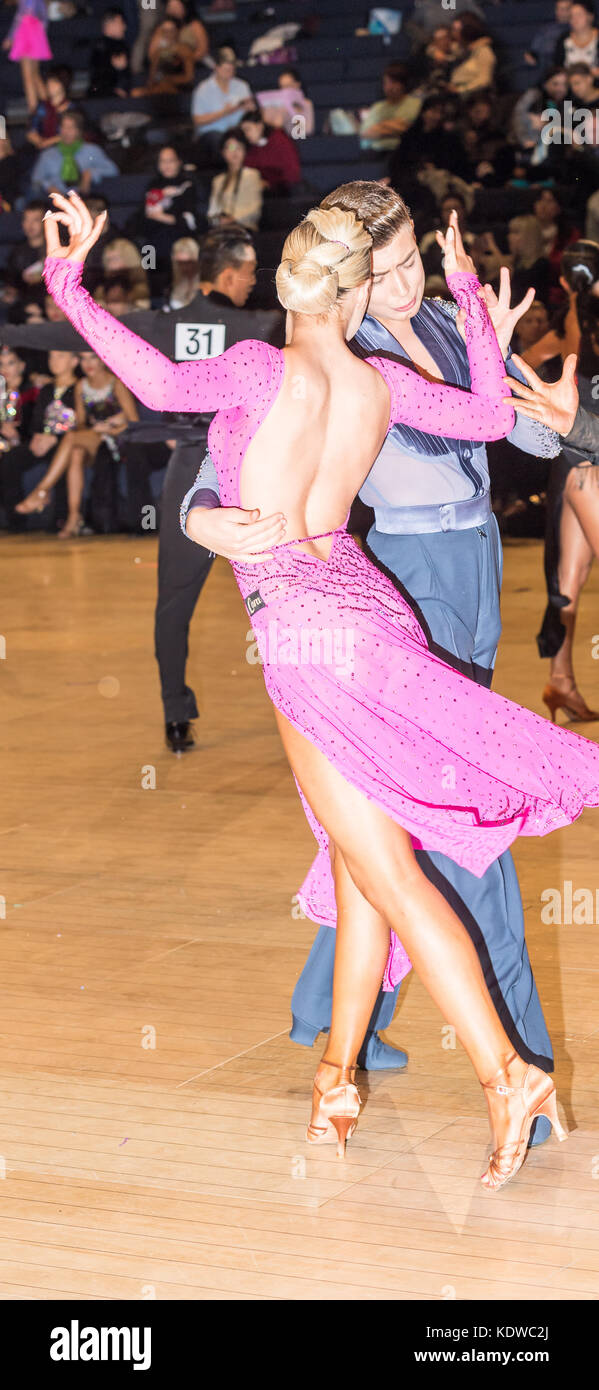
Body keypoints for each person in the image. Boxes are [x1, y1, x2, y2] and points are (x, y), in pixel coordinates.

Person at [43, 191, 597, 1190]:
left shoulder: (258, 368)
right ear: (352, 294)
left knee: (387, 873)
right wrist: (473, 307)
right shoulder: (379, 382)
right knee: (359, 862)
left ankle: (507, 1073)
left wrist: (67, 285)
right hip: (369, 605)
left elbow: (159, 383)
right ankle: (335, 1079)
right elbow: (484, 416)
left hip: (304, 631)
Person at [191, 181, 559, 1088]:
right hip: (399, 580)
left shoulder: (445, 322)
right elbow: (217, 458)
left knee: (389, 816)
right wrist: (201, 519)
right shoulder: (333, 350)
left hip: (474, 564)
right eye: (378, 271)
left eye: (409, 265)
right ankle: (519, 1052)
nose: (396, 287)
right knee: (459, 803)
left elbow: (529, 441)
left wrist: (512, 367)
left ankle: (330, 1016)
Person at [522, 240, 599, 722]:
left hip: (569, 460)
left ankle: (561, 680)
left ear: (566, 281)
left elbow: (519, 364)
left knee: (570, 577)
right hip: (592, 460)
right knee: (570, 575)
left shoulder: (564, 324)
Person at [16, 347, 138, 537]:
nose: (88, 364)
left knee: (72, 438)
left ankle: (41, 491)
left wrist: (111, 427)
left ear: (102, 360)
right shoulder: (81, 385)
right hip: (95, 437)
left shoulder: (115, 383)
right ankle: (74, 517)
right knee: (76, 452)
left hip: (119, 439)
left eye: (92, 358)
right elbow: (80, 424)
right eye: (83, 359)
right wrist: (95, 427)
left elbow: (134, 422)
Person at [0, 347, 78, 528]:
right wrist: (37, 435)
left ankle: (59, 518)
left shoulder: (74, 388)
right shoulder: (47, 389)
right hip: (37, 440)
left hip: (64, 441)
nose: (53, 361)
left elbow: (80, 422)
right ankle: (15, 519)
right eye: (51, 356)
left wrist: (50, 438)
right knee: (11, 459)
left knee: (60, 455)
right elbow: (37, 420)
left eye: (60, 356)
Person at [30, 111, 119, 195]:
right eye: (63, 127)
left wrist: (90, 173)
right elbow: (36, 180)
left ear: (78, 131)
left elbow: (112, 170)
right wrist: (48, 186)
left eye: (70, 128)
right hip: (55, 198)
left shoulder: (92, 150)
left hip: (84, 197)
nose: (66, 132)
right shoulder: (48, 155)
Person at [191, 47, 253, 145]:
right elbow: (198, 120)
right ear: (217, 68)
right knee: (224, 143)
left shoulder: (242, 86)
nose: (229, 73)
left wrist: (250, 108)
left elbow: (251, 110)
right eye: (226, 70)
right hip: (213, 132)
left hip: (237, 131)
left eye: (231, 70)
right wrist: (223, 113)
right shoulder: (203, 89)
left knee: (252, 136)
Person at [359, 62, 422, 152]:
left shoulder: (416, 104)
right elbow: (365, 133)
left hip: (404, 152)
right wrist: (394, 127)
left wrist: (380, 126)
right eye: (386, 83)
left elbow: (411, 129)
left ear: (403, 84)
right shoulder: (377, 107)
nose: (389, 87)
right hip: (376, 153)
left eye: (393, 82)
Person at [3, 0, 52, 115]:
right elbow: (44, 17)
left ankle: (34, 112)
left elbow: (20, 16)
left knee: (28, 77)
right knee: (35, 75)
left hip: (27, 32)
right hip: (36, 31)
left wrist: (10, 37)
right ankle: (50, 110)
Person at [208, 132, 263, 230]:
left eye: (239, 147)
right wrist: (217, 220)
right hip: (221, 229)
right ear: (223, 152)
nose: (235, 152)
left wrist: (232, 219)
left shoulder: (252, 174)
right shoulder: (218, 180)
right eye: (231, 147)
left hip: (245, 229)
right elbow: (212, 210)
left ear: (245, 151)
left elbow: (255, 209)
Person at [239, 109, 301, 193]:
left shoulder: (279, 140)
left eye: (248, 129)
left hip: (283, 191)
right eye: (243, 131)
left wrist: (268, 184)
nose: (245, 134)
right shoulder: (250, 147)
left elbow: (291, 173)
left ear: (259, 126)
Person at [448, 13, 496, 96]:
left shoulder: (483, 51)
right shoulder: (460, 49)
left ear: (467, 31)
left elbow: (485, 81)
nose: (452, 33)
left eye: (455, 30)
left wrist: (460, 90)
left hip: (474, 97)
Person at [554, 1, 599, 72]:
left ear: (590, 16)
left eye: (579, 15)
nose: (574, 19)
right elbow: (558, 67)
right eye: (571, 16)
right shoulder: (564, 39)